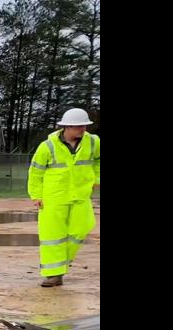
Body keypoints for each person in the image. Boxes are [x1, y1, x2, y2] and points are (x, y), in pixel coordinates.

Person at [28, 108, 100, 287]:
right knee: (53, 236)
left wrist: (97, 178)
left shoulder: (93, 142)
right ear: (66, 127)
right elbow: (36, 172)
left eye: (84, 126)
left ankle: (61, 265)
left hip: (81, 195)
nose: (82, 130)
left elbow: (99, 160)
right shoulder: (48, 146)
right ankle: (54, 274)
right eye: (78, 127)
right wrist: (36, 195)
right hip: (53, 198)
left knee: (82, 228)